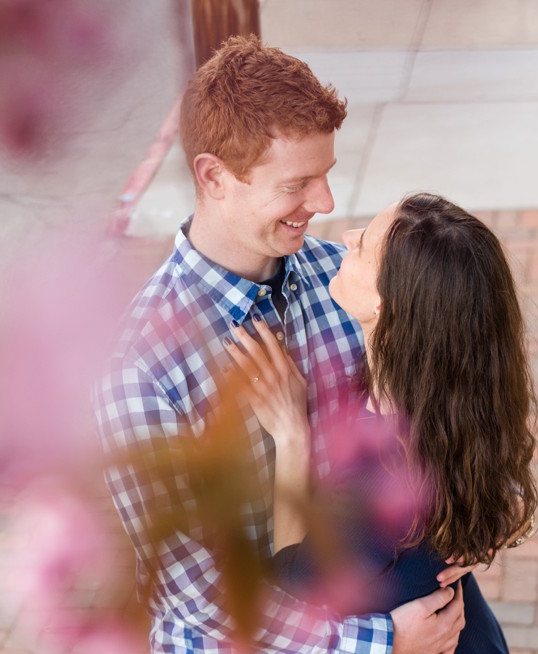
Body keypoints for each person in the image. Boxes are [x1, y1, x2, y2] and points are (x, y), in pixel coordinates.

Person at [93, 36, 466, 653]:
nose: (324, 204)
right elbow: (203, 591)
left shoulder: (341, 277)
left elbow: (431, 413)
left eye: (326, 176)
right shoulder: (141, 368)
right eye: (297, 183)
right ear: (214, 176)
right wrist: (380, 642)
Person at [224, 193, 538, 653]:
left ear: (385, 305)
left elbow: (295, 580)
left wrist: (291, 437)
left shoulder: (377, 481)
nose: (345, 239)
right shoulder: (454, 403)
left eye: (362, 247)